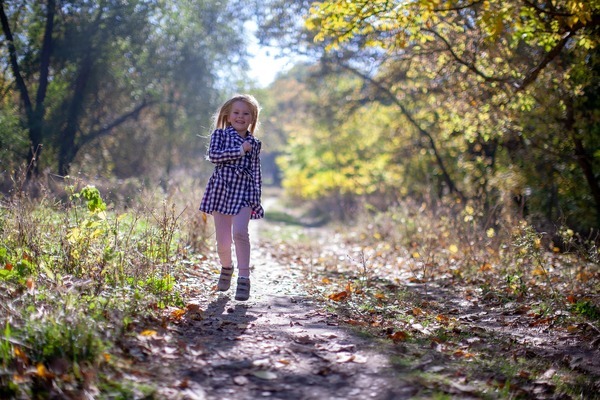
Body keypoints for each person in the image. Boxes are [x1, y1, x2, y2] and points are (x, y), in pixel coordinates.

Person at [199, 94, 264, 301]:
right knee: (223, 243)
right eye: (236, 112)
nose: (240, 117)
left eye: (246, 114)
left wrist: (256, 198)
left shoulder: (254, 143)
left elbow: (256, 171)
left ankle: (244, 278)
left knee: (240, 233)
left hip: (244, 193)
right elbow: (214, 156)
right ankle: (227, 267)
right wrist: (239, 150)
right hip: (222, 191)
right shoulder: (220, 135)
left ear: (252, 118)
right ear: (228, 115)